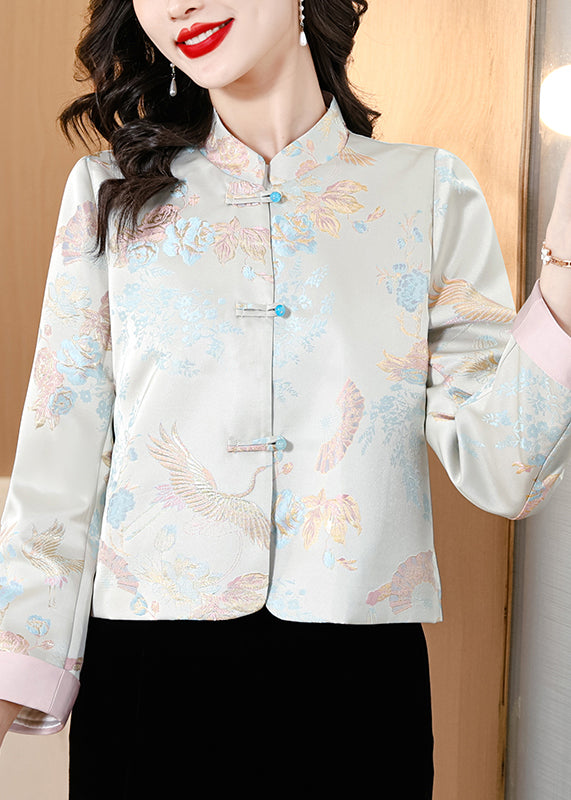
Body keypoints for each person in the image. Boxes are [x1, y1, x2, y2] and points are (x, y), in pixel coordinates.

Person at [0, 0, 570, 797]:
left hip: (356, 691)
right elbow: (58, 464)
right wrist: (13, 673)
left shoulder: (427, 193)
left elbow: (506, 469)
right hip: (148, 687)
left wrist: (564, 275)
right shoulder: (108, 194)